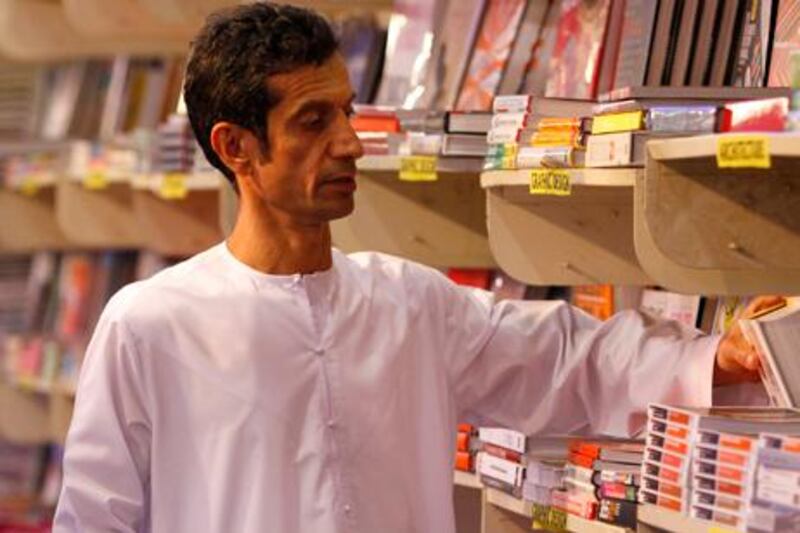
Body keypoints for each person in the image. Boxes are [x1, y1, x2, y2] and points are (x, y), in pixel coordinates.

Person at [53, 3, 780, 532]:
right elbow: (95, 519)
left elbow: (570, 356)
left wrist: (723, 354)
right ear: (235, 146)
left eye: (346, 111)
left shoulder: (408, 302)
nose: (349, 144)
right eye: (314, 122)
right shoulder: (150, 325)